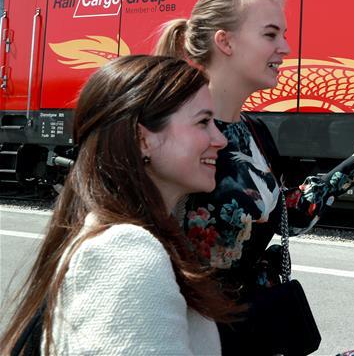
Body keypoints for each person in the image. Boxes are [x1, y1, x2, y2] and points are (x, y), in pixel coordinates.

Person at [155, 0, 354, 354]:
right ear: (226, 42)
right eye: (271, 34)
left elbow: (289, 215)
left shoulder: (254, 132)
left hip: (252, 329)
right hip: (199, 338)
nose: (285, 48)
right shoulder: (177, 137)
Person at [2, 56, 235, 355]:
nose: (220, 139)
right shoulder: (125, 255)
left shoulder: (126, 240)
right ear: (142, 140)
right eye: (203, 122)